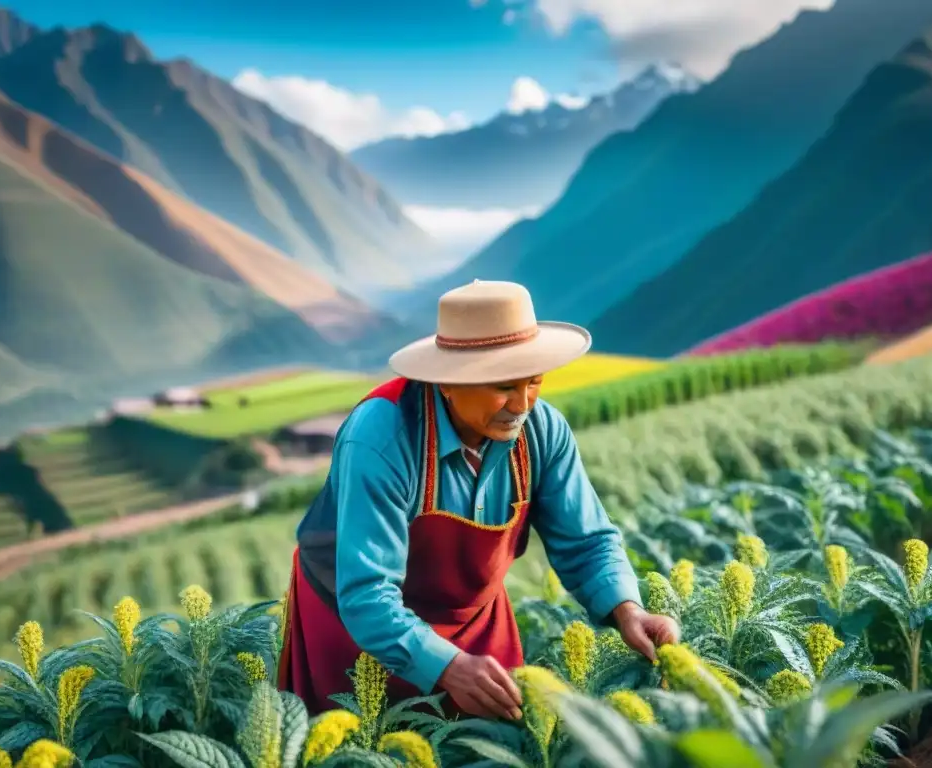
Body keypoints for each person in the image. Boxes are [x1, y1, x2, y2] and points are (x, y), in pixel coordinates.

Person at [277, 280, 680, 720]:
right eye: (503, 386)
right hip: (355, 625)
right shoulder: (382, 438)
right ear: (448, 382)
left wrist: (628, 610)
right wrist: (446, 665)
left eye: (535, 382)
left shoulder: (542, 431)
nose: (522, 404)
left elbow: (586, 541)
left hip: (476, 619)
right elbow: (368, 593)